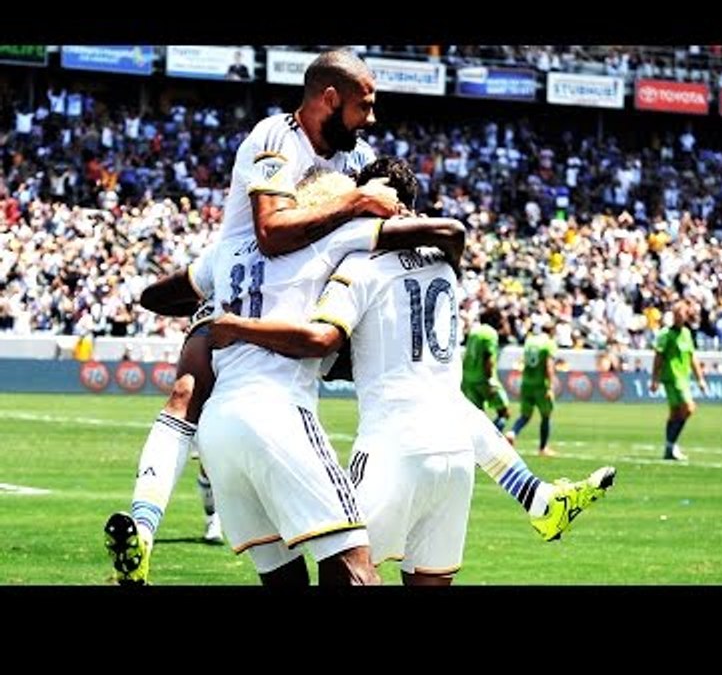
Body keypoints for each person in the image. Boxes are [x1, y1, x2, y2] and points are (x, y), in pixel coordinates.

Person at [206, 157, 616, 583]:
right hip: (456, 454)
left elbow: (322, 342)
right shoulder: (443, 261)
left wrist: (238, 327)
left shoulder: (359, 267)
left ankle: (537, 496)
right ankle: (535, 495)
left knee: (345, 571)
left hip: (392, 445)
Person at [103, 49, 400, 585]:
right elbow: (275, 230)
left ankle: (145, 524)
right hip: (276, 401)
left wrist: (215, 317)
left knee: (284, 579)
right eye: (365, 106)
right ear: (329, 99)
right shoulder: (277, 141)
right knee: (357, 572)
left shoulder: (350, 166)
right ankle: (145, 523)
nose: (372, 118)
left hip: (224, 423)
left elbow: (166, 291)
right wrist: (364, 207)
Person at [649, 300, 708, 461]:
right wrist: (654, 379)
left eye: (682, 314)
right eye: (676, 314)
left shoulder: (687, 334)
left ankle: (669, 447)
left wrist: (700, 379)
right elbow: (658, 357)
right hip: (671, 378)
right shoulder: (665, 334)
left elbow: (692, 357)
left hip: (683, 378)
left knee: (675, 413)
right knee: (689, 408)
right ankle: (671, 445)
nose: (679, 317)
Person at [505, 320, 560, 456]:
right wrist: (551, 386)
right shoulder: (549, 343)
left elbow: (525, 360)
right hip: (541, 385)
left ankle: (512, 432)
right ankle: (543, 448)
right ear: (552, 331)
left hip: (526, 383)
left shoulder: (530, 341)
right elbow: (549, 365)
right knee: (546, 416)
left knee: (525, 415)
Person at [461, 305, 511, 432]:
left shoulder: (474, 332)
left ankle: (479, 444)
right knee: (504, 412)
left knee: (478, 417)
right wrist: (490, 381)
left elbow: (467, 356)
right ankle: (491, 441)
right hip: (484, 379)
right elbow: (488, 358)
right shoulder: (490, 334)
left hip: (469, 378)